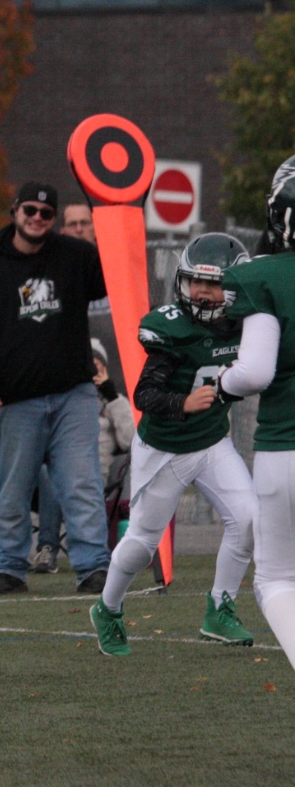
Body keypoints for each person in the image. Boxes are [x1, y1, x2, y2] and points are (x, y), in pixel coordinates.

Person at [88, 234, 256, 656]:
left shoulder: (248, 323)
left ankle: (219, 609)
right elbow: (143, 395)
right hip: (164, 448)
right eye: (196, 281)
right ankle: (108, 608)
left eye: (213, 283)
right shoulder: (171, 328)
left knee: (247, 521)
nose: (202, 291)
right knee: (142, 544)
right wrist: (183, 402)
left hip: (212, 443)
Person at [0, 182, 110, 595]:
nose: (37, 218)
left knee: (81, 484)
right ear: (14, 211)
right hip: (13, 399)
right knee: (11, 488)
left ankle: (94, 567)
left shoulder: (75, 255)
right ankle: (8, 568)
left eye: (46, 213)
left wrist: (116, 226)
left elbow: (113, 278)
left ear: (54, 219)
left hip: (73, 394)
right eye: (30, 210)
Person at [216, 157, 295, 666]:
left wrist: (220, 385)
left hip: (285, 446)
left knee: (277, 578)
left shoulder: (262, 277)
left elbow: (255, 372)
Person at [31, 340, 133, 573]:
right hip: (56, 472)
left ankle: (91, 554)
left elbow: (130, 440)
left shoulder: (113, 401)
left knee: (72, 478)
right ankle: (47, 548)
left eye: (97, 366)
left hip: (94, 473)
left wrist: (111, 397)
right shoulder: (58, 401)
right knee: (50, 475)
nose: (91, 371)